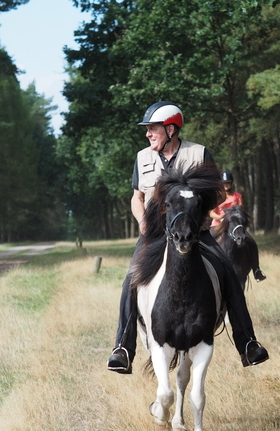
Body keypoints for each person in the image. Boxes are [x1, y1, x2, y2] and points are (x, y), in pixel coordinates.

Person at [107, 101, 269, 374]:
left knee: (227, 272)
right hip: (155, 235)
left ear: (171, 129)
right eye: (147, 129)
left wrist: (197, 212)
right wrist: (142, 222)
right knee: (130, 280)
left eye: (152, 128)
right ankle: (123, 348)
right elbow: (137, 197)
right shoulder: (142, 157)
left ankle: (247, 343)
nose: (148, 134)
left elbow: (218, 193)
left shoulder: (199, 153)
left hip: (195, 232)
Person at [210, 171, 266, 281]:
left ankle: (256, 270)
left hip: (235, 225)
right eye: (224, 183)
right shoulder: (217, 196)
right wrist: (221, 218)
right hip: (218, 224)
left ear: (231, 184)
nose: (226, 185)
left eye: (228, 183)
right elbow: (211, 212)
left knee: (251, 242)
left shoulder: (238, 196)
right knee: (205, 241)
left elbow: (241, 210)